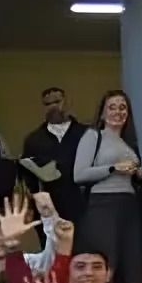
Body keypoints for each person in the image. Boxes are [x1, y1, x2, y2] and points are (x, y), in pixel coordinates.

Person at [73, 90, 142, 283]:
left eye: (122, 108)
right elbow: (79, 174)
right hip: (103, 205)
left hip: (129, 206)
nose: (118, 112)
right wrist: (113, 168)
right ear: (102, 113)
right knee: (107, 262)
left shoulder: (129, 142)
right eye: (112, 107)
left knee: (131, 263)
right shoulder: (93, 136)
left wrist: (139, 174)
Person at [18, 86, 87, 220]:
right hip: (49, 210)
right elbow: (28, 177)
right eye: (47, 104)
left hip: (84, 207)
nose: (53, 107)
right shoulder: (34, 140)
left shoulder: (86, 134)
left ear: (67, 102)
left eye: (57, 101)